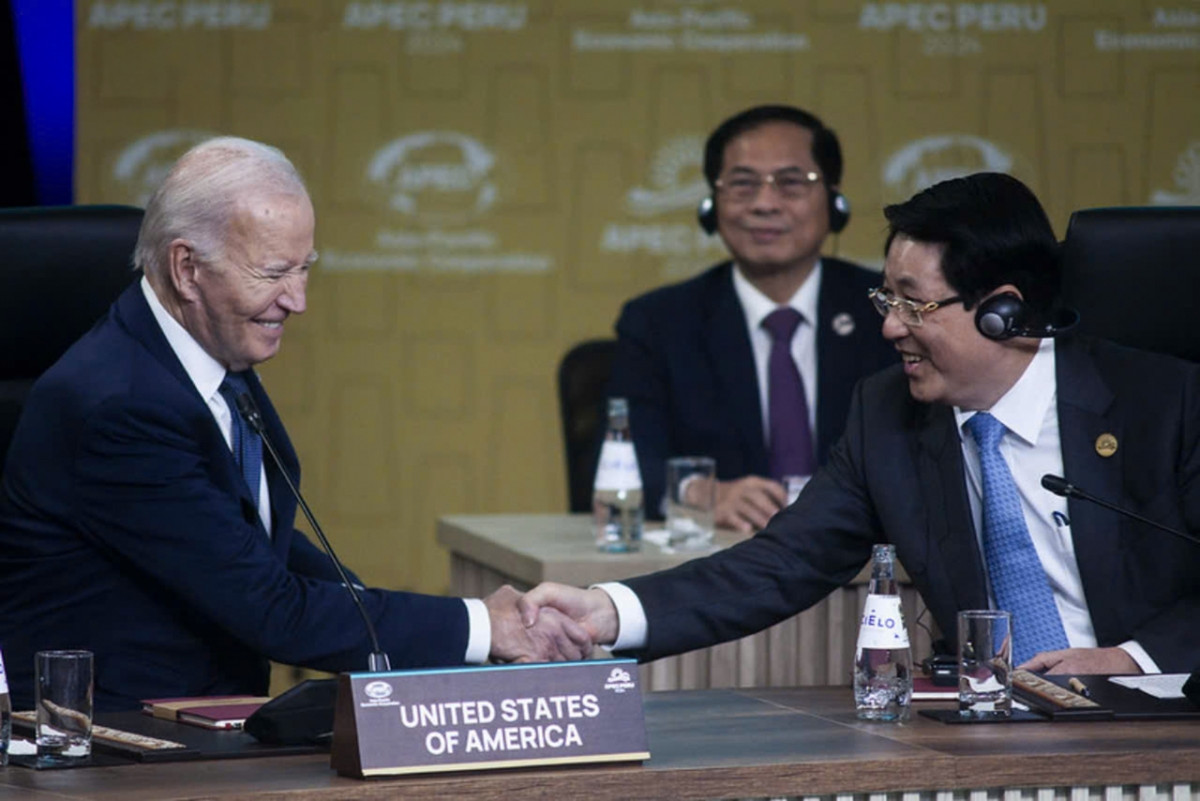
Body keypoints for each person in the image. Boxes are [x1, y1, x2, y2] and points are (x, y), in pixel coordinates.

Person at [525, 172, 1200, 676]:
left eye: (914, 305)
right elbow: (778, 564)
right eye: (886, 298)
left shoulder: (1165, 404)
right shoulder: (888, 416)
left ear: (1004, 311)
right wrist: (606, 611)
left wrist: (1131, 659)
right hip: (992, 729)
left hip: (1161, 718)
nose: (889, 328)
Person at [0, 137, 589, 711]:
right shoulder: (119, 409)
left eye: (305, 268)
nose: (297, 299)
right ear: (186, 269)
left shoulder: (208, 356)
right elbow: (269, 606)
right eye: (274, 272)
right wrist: (482, 627)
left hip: (210, 721)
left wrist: (396, 617)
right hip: (110, 739)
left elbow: (257, 544)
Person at [606, 105, 895, 533]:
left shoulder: (889, 311)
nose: (764, 204)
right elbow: (624, 464)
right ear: (710, 205)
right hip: (726, 556)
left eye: (791, 183)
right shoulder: (659, 322)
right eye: (742, 185)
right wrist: (698, 493)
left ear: (835, 201)